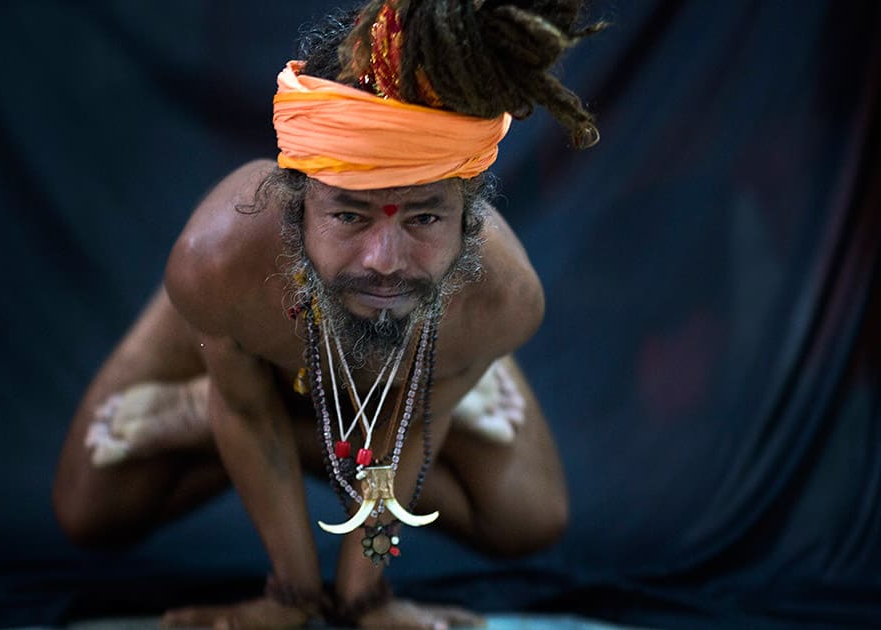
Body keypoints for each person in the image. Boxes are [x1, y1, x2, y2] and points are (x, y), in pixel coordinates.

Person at [53, 1, 603, 627]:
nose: (386, 260)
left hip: (428, 327)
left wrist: (364, 596)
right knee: (90, 507)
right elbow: (245, 410)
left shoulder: (502, 301)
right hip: (254, 314)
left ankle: (234, 408)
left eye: (424, 217)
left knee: (531, 517)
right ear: (298, 210)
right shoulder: (218, 262)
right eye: (349, 215)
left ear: (468, 222)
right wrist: (291, 595)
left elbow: (414, 434)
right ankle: (248, 394)